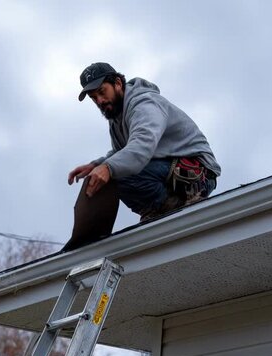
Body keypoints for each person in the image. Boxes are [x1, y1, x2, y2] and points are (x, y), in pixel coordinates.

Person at [63, 62, 220, 251]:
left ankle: (173, 202)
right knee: (113, 169)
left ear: (118, 83)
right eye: (94, 97)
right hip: (165, 168)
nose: (100, 101)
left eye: (102, 92)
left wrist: (107, 167)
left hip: (199, 173)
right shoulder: (117, 119)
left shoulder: (144, 104)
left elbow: (141, 147)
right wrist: (96, 164)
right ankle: (160, 208)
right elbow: (122, 153)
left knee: (117, 173)